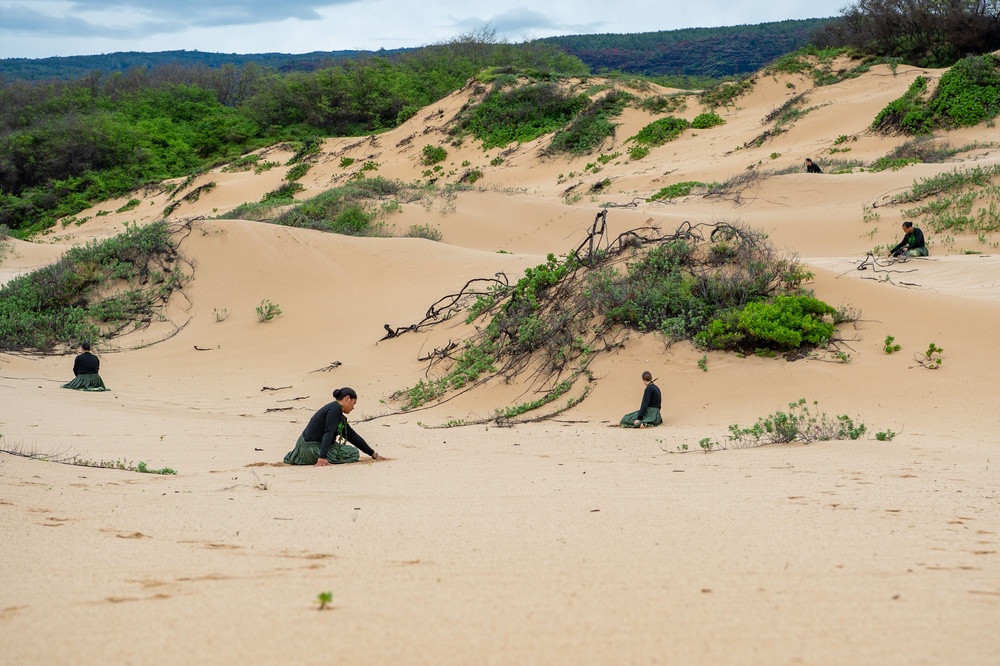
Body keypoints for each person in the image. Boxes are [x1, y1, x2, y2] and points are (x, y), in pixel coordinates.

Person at [283, 387, 383, 465]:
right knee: (353, 452)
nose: (353, 407)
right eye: (353, 403)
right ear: (347, 398)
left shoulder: (335, 410)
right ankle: (317, 457)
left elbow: (352, 436)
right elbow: (329, 432)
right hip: (311, 449)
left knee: (349, 449)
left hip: (301, 448)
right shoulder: (335, 409)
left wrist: (373, 454)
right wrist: (322, 458)